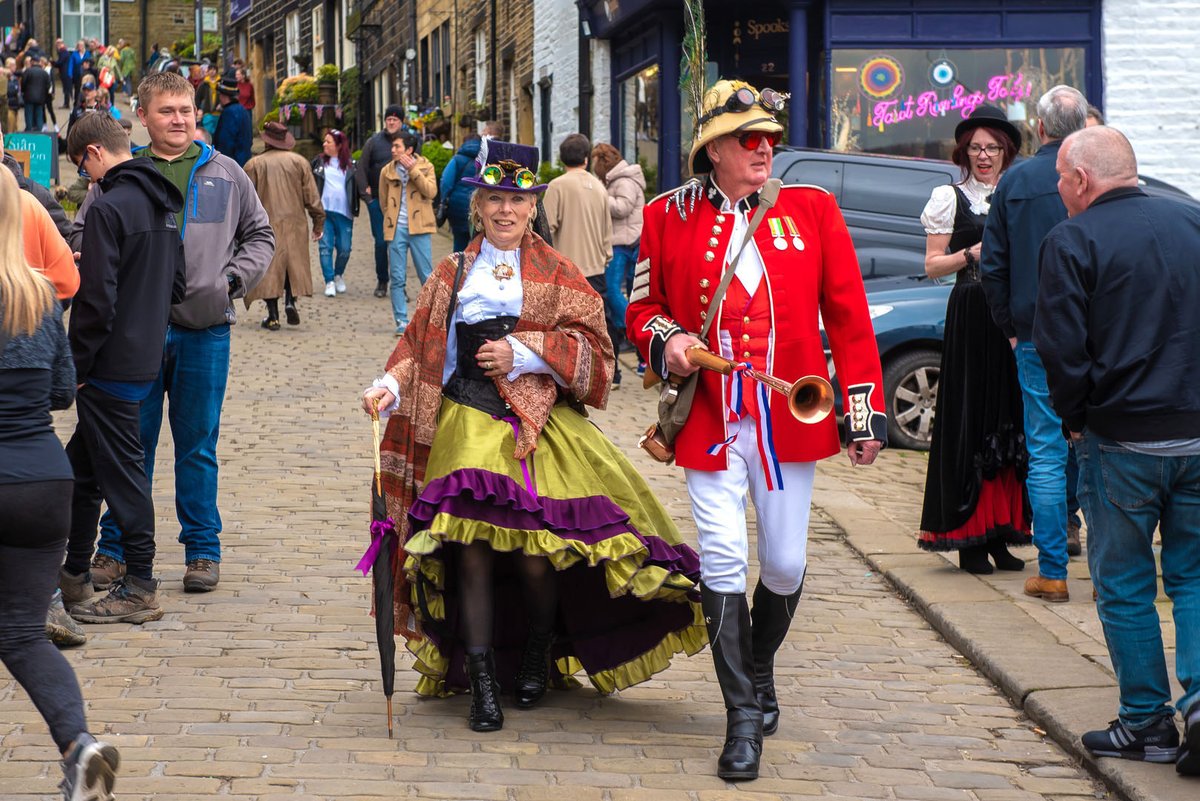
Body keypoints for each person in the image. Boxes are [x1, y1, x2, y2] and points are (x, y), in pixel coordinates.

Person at [360, 138, 705, 734]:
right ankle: (482, 682)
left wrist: (525, 351)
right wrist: (388, 383)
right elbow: (423, 346)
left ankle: (540, 652)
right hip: (467, 419)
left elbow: (598, 354)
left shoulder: (560, 270)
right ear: (479, 205)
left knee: (539, 555)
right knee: (467, 549)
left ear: (531, 207)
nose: (505, 211)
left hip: (542, 424)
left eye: (516, 201)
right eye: (494, 199)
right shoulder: (452, 271)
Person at [627, 80, 886, 781]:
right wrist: (670, 341)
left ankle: (758, 663)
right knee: (719, 556)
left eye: (769, 137)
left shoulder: (813, 209)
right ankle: (742, 716)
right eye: (749, 139)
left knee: (785, 564)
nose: (764, 148)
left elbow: (850, 318)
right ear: (712, 150)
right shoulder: (666, 215)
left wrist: (862, 413)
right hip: (710, 417)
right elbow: (642, 307)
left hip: (786, 419)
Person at [1034, 125, 1200, 775]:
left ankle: (1147, 723)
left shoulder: (1072, 239)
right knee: (1193, 574)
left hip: (1122, 437)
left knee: (1127, 582)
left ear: (1081, 179)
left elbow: (1062, 348)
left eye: (1060, 180)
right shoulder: (1192, 221)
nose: (1058, 189)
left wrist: (1076, 419)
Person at [80, 71, 274, 594]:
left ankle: (202, 552)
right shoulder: (121, 176)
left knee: (197, 446)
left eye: (186, 111)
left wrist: (230, 280)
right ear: (142, 117)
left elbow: (260, 234)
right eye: (167, 111)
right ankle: (115, 549)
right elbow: (83, 231)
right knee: (128, 447)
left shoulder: (226, 172)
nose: (179, 120)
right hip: (134, 335)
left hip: (203, 331)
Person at [0, 165, 121, 801]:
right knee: (20, 632)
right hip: (43, 479)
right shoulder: (38, 297)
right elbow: (56, 391)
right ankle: (79, 746)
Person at [58, 111, 187, 624]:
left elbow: (96, 302)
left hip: (107, 363)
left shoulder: (110, 208)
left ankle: (141, 583)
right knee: (81, 472)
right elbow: (176, 287)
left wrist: (77, 365)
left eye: (81, 166)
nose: (85, 179)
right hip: (143, 355)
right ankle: (72, 574)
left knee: (123, 477)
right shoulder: (165, 202)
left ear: (93, 153)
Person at [981, 85, 1088, 603]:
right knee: (1095, 448)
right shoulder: (1099, 178)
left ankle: (1053, 571)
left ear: (1040, 129)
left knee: (1045, 451)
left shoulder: (1016, 180)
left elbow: (993, 266)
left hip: (1036, 336)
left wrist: (1010, 325)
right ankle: (1109, 578)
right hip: (1094, 336)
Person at [917, 105, 1031, 573]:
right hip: (971, 313)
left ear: (1007, 152)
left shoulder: (1018, 193)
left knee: (1009, 417)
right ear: (964, 152)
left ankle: (1002, 531)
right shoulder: (950, 197)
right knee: (971, 417)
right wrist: (970, 252)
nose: (984, 156)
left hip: (1011, 318)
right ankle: (968, 538)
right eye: (976, 148)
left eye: (993, 148)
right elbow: (932, 265)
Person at [542, 134, 615, 385]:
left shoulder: (557, 186)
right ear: (586, 158)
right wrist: (605, 256)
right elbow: (607, 230)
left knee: (566, 328)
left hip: (568, 269)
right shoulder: (600, 187)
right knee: (597, 327)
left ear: (562, 158)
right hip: (596, 267)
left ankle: (571, 375)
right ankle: (606, 374)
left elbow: (545, 228)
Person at [243, 121, 324, 328]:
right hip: (295, 222)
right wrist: (318, 221)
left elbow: (244, 199)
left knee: (270, 268)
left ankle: (273, 315)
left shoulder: (254, 164)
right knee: (291, 265)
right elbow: (312, 197)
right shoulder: (300, 162)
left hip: (265, 223)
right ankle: (290, 301)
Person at [591, 141, 645, 371]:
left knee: (612, 290)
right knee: (628, 293)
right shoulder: (618, 179)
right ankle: (632, 337)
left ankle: (631, 331)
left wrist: (599, 194)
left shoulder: (623, 181)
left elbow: (622, 208)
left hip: (625, 241)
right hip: (625, 240)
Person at [379, 130, 436, 335]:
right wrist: (391, 219)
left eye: (397, 147)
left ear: (409, 150)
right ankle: (401, 321)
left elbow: (431, 192)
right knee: (397, 277)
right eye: (393, 146)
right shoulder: (387, 171)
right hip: (397, 229)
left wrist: (413, 170)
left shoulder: (426, 166)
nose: (393, 150)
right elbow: (383, 201)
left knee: (427, 276)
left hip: (420, 227)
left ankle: (430, 320)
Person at [356, 104, 406, 298]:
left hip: (400, 201)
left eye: (395, 119)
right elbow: (361, 168)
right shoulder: (373, 142)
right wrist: (366, 197)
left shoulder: (408, 142)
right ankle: (382, 281)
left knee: (399, 242)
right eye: (388, 119)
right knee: (380, 242)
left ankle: (398, 285)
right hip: (377, 200)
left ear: (401, 122)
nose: (391, 122)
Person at [312, 128, 358, 296]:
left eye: (328, 142)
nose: (324, 144)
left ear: (339, 145)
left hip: (344, 213)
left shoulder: (351, 165)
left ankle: (338, 274)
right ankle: (329, 280)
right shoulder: (318, 163)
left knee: (345, 248)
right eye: (324, 141)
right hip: (324, 212)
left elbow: (358, 187)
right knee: (325, 247)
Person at [439, 134, 481, 253]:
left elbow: (446, 182)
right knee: (479, 241)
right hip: (479, 206)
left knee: (459, 242)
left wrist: (444, 199)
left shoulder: (457, 159)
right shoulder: (486, 159)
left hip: (457, 205)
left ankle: (459, 267)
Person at [212, 71, 252, 167]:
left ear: (223, 95)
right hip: (244, 161)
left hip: (232, 165)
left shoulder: (229, 113)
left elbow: (225, 143)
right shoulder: (242, 110)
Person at [19, 51, 49, 131]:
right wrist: (44, 96)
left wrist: (23, 92)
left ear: (31, 62)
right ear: (39, 62)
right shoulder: (44, 73)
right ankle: (39, 132)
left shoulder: (28, 71)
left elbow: (23, 84)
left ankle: (29, 131)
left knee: (29, 116)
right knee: (39, 115)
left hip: (29, 97)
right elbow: (48, 86)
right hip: (40, 98)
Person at [54, 39, 74, 109]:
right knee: (66, 89)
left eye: (58, 44)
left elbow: (60, 62)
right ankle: (67, 103)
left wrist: (53, 63)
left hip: (65, 73)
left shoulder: (63, 52)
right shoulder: (63, 52)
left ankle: (67, 103)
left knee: (67, 89)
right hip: (65, 72)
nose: (57, 45)